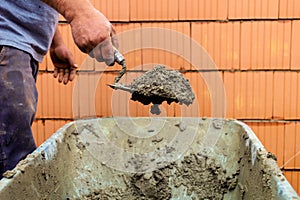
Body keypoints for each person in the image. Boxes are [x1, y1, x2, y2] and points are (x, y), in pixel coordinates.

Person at [0, 0, 117, 178]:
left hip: (17, 43)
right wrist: (80, 13)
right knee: (12, 160)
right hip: (6, 38)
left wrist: (56, 43)